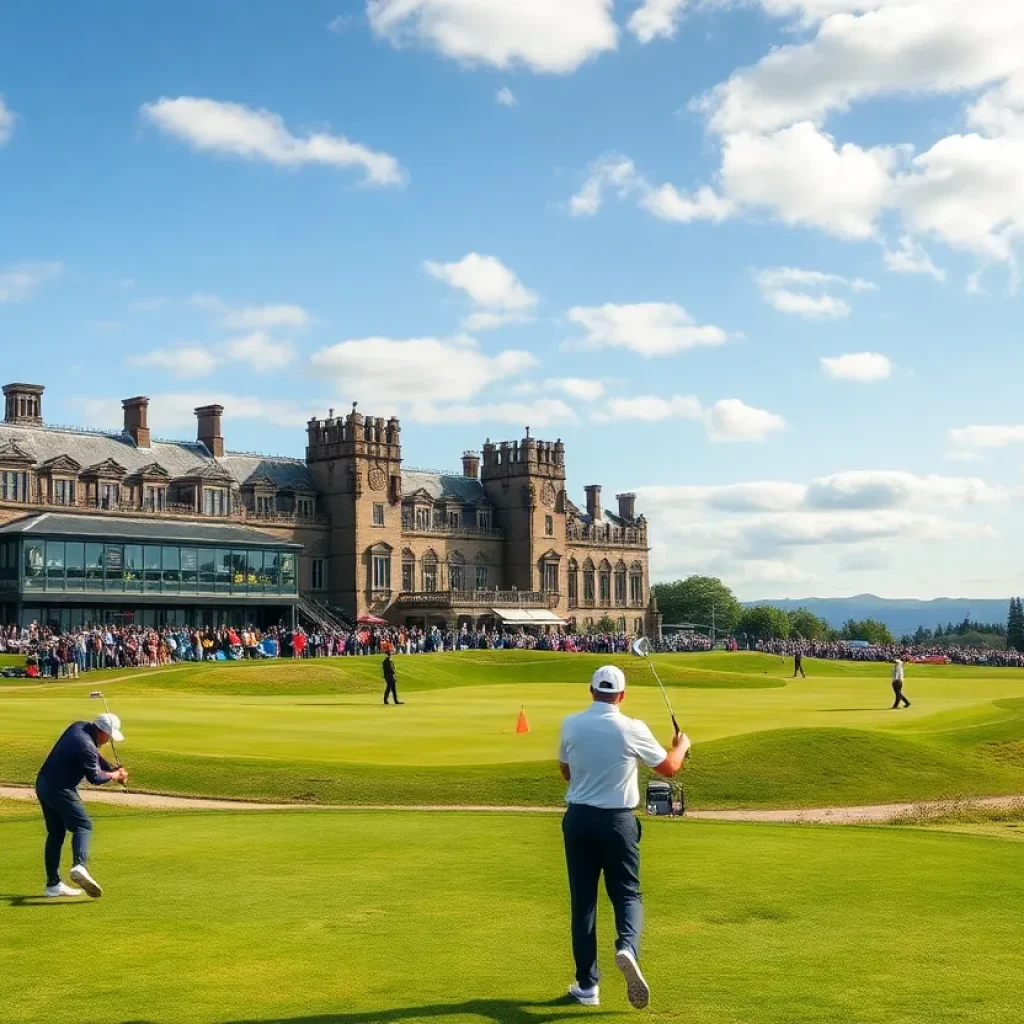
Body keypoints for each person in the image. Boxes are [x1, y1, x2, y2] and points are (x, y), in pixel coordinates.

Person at [558, 665, 690, 1010]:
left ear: (591, 691)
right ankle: (627, 948)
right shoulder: (633, 728)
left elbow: (565, 769)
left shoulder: (571, 723)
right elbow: (669, 768)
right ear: (622, 695)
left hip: (579, 819)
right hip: (618, 822)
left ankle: (587, 987)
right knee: (628, 894)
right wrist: (682, 745)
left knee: (583, 903)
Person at [35, 713, 128, 898]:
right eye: (108, 735)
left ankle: (53, 885)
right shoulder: (86, 746)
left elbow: (95, 755)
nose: (108, 739)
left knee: (56, 832)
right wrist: (114, 776)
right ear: (101, 731)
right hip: (60, 789)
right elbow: (95, 777)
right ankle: (80, 866)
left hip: (43, 784)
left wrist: (111, 768)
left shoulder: (79, 726)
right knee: (83, 825)